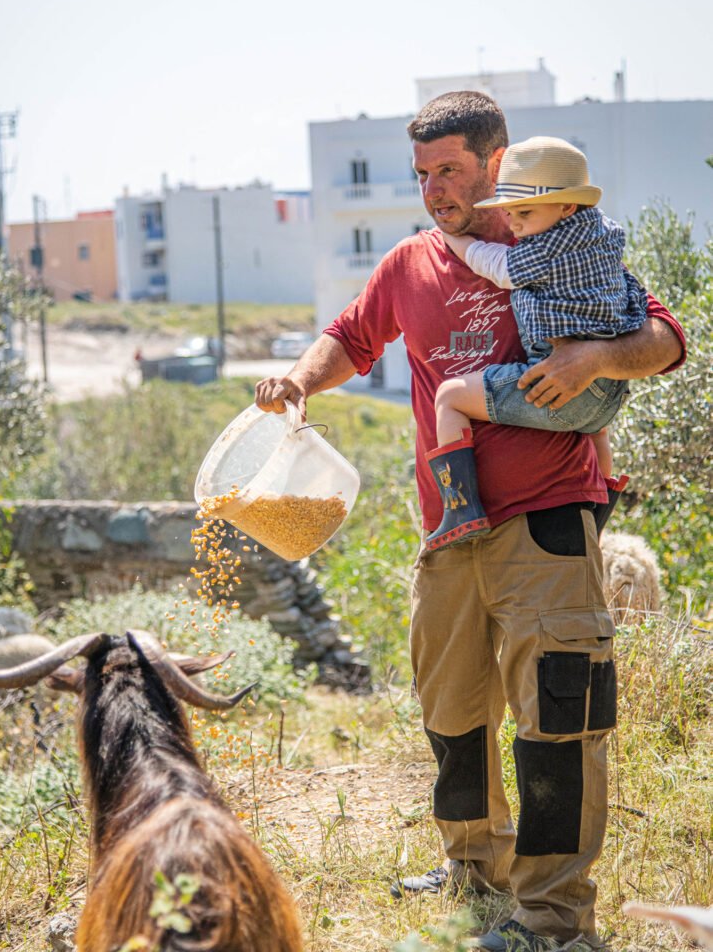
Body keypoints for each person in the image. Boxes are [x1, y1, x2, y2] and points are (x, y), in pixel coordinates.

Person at [254, 91, 685, 952]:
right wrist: (299, 379)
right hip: (447, 534)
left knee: (557, 722)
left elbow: (666, 340)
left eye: (448, 170)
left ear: (496, 162)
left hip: (545, 526)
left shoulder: (554, 238)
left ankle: (553, 921)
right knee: (450, 711)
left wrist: (595, 358)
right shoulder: (408, 263)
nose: (433, 189)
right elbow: (350, 336)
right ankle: (472, 868)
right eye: (421, 174)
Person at [425, 135, 648, 551]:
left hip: (559, 385)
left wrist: (454, 240)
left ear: (566, 207)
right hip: (609, 392)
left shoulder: (548, 247)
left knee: (449, 397)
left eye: (524, 212)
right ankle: (600, 513)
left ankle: (459, 510)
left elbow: (498, 266)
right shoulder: (605, 236)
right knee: (596, 433)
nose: (514, 225)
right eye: (510, 213)